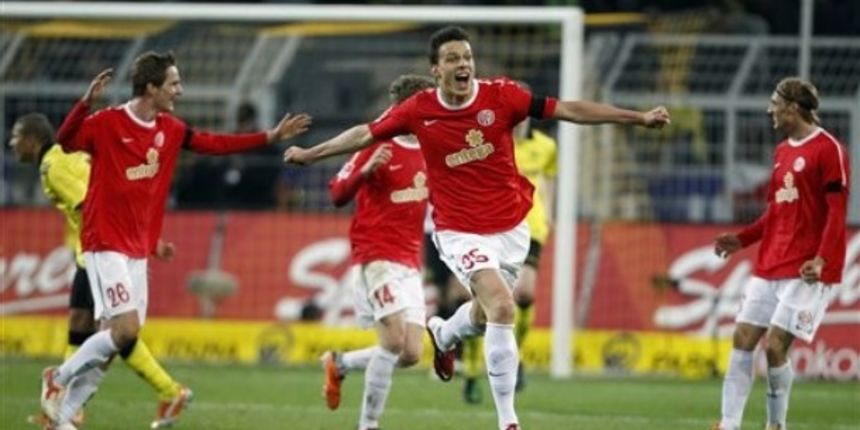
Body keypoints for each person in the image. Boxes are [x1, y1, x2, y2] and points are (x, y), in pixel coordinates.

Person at [284, 26, 669, 430]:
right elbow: (364, 132)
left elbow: (569, 110)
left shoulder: (501, 96)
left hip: (512, 227)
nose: (463, 64)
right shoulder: (419, 110)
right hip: (459, 231)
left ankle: (446, 334)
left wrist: (637, 117)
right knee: (504, 306)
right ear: (436, 70)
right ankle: (508, 421)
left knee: (487, 315)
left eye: (467, 57)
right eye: (452, 58)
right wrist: (312, 155)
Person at [39, 51, 311, 430]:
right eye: (173, 84)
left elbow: (213, 143)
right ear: (151, 88)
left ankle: (63, 420)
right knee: (125, 331)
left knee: (113, 340)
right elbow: (66, 141)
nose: (179, 90)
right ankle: (58, 377)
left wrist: (269, 136)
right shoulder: (108, 122)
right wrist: (86, 103)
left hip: (137, 247)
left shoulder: (170, 129)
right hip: (105, 242)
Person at [9, 113, 190, 429]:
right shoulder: (67, 156)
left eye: (15, 137)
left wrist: (131, 243)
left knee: (117, 331)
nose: (11, 144)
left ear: (31, 139)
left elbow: (89, 204)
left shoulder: (54, 166)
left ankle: (165, 390)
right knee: (86, 325)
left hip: (100, 252)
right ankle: (67, 408)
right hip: (97, 250)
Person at [710, 77, 850, 430]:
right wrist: (742, 239)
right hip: (771, 263)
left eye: (775, 102)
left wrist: (822, 259)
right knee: (742, 337)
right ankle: (728, 425)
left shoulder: (828, 149)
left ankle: (776, 425)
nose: (770, 109)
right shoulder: (782, 151)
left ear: (792, 106)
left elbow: (837, 212)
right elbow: (775, 212)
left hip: (806, 268)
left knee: (774, 347)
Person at [320, 74, 436, 430]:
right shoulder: (374, 143)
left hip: (409, 261)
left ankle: (340, 364)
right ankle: (368, 425)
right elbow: (337, 194)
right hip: (376, 257)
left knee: (412, 353)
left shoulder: (433, 147)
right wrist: (365, 171)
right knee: (393, 340)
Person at [461, 112, 559, 401]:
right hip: (496, 227)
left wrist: (549, 209)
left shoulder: (546, 146)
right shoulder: (490, 143)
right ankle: (470, 370)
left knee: (525, 294)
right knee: (484, 302)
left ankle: (517, 356)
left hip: (532, 227)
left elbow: (549, 177)